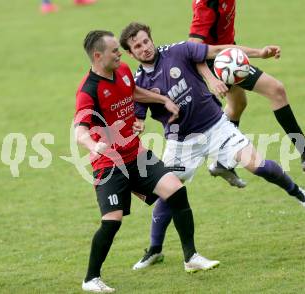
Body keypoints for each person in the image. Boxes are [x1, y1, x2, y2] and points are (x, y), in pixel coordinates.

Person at [119, 22, 305, 270]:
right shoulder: (139, 83)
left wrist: (259, 52)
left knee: (256, 166)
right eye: (137, 46)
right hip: (180, 143)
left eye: (146, 41)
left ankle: (296, 191)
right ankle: (155, 250)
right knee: (167, 193)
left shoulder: (179, 50)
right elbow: (138, 117)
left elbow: (219, 50)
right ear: (130, 53)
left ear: (151, 38)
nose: (144, 48)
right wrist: (137, 126)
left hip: (216, 127)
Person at [75, 30, 219, 292]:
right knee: (112, 220)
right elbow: (79, 130)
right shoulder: (89, 90)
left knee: (175, 190)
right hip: (109, 165)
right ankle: (90, 278)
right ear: (98, 56)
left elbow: (134, 92)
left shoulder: (124, 71)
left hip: (136, 155)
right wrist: (92, 145)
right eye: (114, 51)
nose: (120, 53)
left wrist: (162, 99)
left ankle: (191, 258)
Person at [188, 0, 305, 176]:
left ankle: (223, 161)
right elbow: (193, 48)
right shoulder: (208, 3)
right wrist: (212, 80)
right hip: (220, 62)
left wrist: (257, 52)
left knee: (237, 105)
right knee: (276, 90)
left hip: (228, 53)